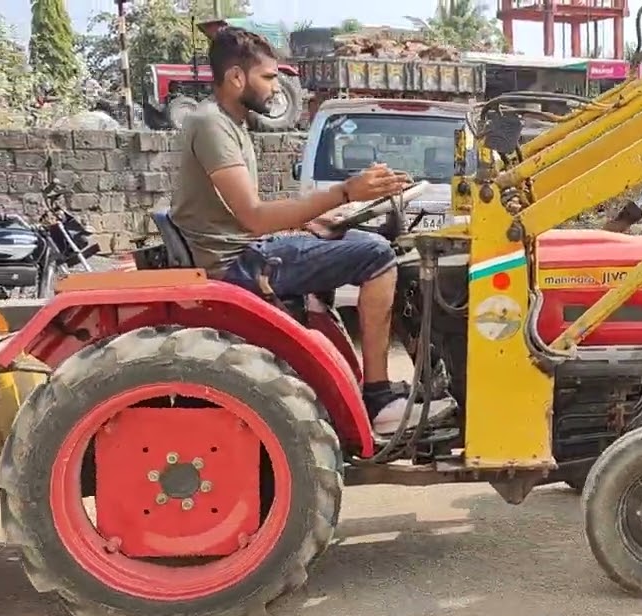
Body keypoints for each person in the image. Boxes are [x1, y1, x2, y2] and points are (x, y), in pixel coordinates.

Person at [170, 26, 440, 435]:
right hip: (238, 262)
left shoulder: (231, 124)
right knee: (377, 256)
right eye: (268, 78)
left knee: (363, 243)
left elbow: (242, 213)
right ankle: (379, 397)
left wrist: (311, 220)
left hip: (245, 249)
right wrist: (345, 191)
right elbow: (255, 218)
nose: (275, 89)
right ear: (236, 78)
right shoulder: (212, 125)